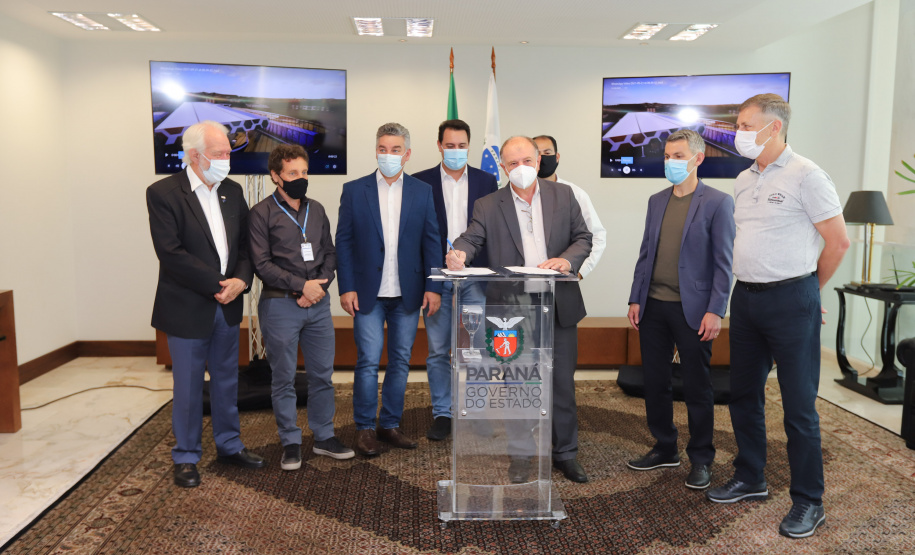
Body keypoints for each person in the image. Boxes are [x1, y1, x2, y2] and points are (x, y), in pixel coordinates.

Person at [705, 94, 850, 539]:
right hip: (746, 301)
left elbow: (838, 242)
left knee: (798, 407)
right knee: (744, 394)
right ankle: (751, 476)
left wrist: (808, 293)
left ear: (774, 128)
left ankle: (809, 500)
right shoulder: (744, 177)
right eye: (737, 125)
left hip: (792, 300)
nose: (737, 133)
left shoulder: (808, 175)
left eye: (746, 125)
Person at [446, 136, 592, 483]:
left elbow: (583, 238)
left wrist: (567, 260)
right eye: (513, 164)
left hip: (556, 303)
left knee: (561, 384)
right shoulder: (488, 204)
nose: (521, 168)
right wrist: (458, 253)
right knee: (516, 384)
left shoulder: (564, 195)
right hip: (510, 309)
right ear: (503, 167)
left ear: (538, 162)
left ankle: (565, 453)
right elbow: (472, 237)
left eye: (527, 160)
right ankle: (522, 455)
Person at [147, 120, 265, 488]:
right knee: (187, 386)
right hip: (187, 307)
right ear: (195, 156)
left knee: (228, 381)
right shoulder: (164, 193)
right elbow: (171, 253)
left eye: (228, 151)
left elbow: (245, 247)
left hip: (227, 305)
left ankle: (229, 445)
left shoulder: (232, 190)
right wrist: (220, 284)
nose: (228, 158)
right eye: (220, 153)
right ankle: (185, 456)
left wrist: (241, 281)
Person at [626, 129, 736, 490]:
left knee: (697, 386)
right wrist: (635, 298)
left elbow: (724, 263)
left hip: (694, 311)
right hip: (654, 306)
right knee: (655, 382)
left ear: (697, 159)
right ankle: (665, 446)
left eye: (678, 156)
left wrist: (715, 310)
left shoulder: (718, 202)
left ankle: (701, 457)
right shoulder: (656, 200)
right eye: (667, 156)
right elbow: (646, 254)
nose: (670, 162)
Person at [336, 122, 443, 457]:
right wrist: (347, 287)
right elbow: (344, 242)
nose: (388, 155)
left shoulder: (422, 191)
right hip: (367, 293)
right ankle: (365, 428)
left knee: (400, 360)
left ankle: (390, 424)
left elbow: (432, 241)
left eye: (395, 150)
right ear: (376, 151)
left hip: (408, 293)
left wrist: (433, 286)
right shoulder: (355, 190)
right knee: (368, 360)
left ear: (407, 154)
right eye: (382, 149)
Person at [248, 144, 355, 470]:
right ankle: (291, 442)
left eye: (304, 172)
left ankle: (323, 437)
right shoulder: (261, 213)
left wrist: (318, 287)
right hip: (280, 306)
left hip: (318, 306)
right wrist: (301, 287)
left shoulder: (317, 210)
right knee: (283, 378)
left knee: (323, 376)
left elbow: (329, 253)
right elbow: (261, 264)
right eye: (293, 173)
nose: (301, 178)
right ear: (276, 176)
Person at [412, 119, 498, 441]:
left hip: (475, 278)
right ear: (439, 146)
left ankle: (475, 411)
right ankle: (443, 414)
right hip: (437, 279)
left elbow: (491, 231)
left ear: (469, 146)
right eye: (450, 146)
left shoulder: (487, 181)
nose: (456, 151)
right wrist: (429, 284)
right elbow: (417, 235)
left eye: (462, 146)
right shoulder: (420, 182)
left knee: (476, 349)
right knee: (437, 351)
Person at [532, 135, 607, 280]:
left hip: (561, 281)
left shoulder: (574, 193)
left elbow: (597, 235)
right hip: (523, 284)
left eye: (547, 153)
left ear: (557, 157)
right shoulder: (518, 194)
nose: (542, 158)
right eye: (537, 154)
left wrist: (579, 272)